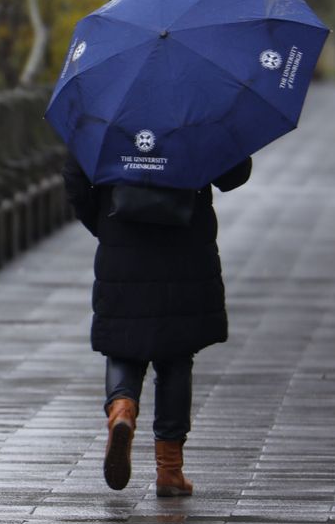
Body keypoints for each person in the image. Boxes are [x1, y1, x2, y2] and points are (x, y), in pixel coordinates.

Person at [63, 152, 252, 496]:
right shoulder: (199, 108)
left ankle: (122, 407)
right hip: (185, 240)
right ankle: (169, 470)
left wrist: (104, 221)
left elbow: (76, 178)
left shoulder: (109, 109)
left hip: (122, 234)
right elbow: (233, 175)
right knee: (177, 353)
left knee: (121, 342)